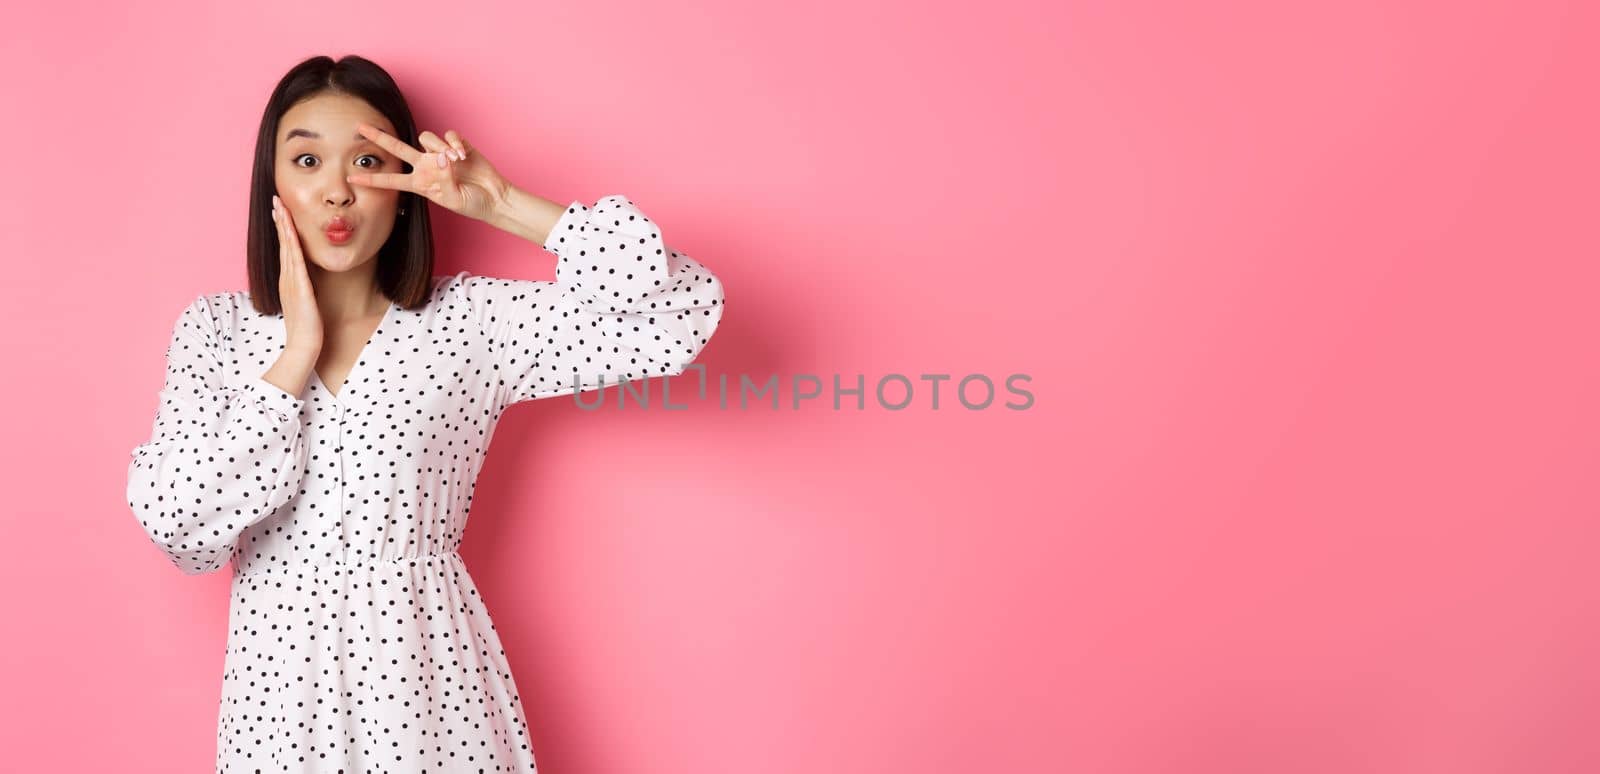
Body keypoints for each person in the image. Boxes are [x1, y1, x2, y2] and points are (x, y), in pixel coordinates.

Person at [124, 54, 725, 772]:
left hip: (430, 693)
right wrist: (294, 358)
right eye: (308, 159)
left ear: (404, 189)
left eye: (368, 160)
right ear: (272, 186)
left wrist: (501, 203)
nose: (337, 192)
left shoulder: (467, 323)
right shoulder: (217, 333)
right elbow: (178, 525)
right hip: (277, 704)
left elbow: (682, 313)